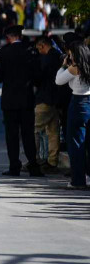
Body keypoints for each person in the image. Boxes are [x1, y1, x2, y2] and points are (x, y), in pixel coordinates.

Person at [0, 25, 44, 177]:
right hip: (27, 99)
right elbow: (38, 77)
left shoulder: (3, 52)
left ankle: (14, 166)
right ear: (20, 35)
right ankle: (33, 166)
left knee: (12, 135)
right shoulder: (30, 51)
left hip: (9, 100)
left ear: (8, 37)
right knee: (28, 133)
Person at [55, 42, 90, 189]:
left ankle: (78, 180)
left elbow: (58, 80)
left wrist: (63, 65)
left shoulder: (75, 68)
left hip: (78, 103)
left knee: (75, 143)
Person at [34, 36, 63, 173]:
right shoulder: (58, 56)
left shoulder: (46, 59)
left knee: (34, 129)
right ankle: (52, 161)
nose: (38, 51)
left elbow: (40, 77)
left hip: (45, 98)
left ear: (42, 45)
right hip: (56, 99)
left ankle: (33, 159)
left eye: (39, 48)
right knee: (53, 131)